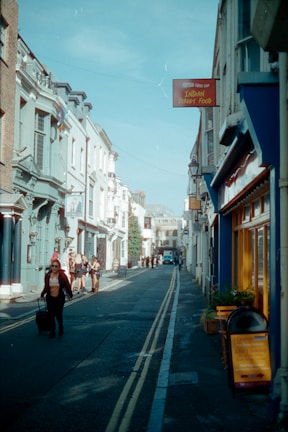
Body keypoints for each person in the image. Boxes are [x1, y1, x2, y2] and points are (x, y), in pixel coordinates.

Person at [40, 259, 72, 339]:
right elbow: (46, 287)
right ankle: (52, 331)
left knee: (58, 313)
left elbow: (67, 285)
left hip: (59, 297)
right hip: (50, 297)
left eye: (56, 266)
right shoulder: (48, 275)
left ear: (59, 267)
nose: (54, 268)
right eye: (53, 266)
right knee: (51, 315)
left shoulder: (62, 275)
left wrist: (70, 294)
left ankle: (60, 325)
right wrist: (42, 294)